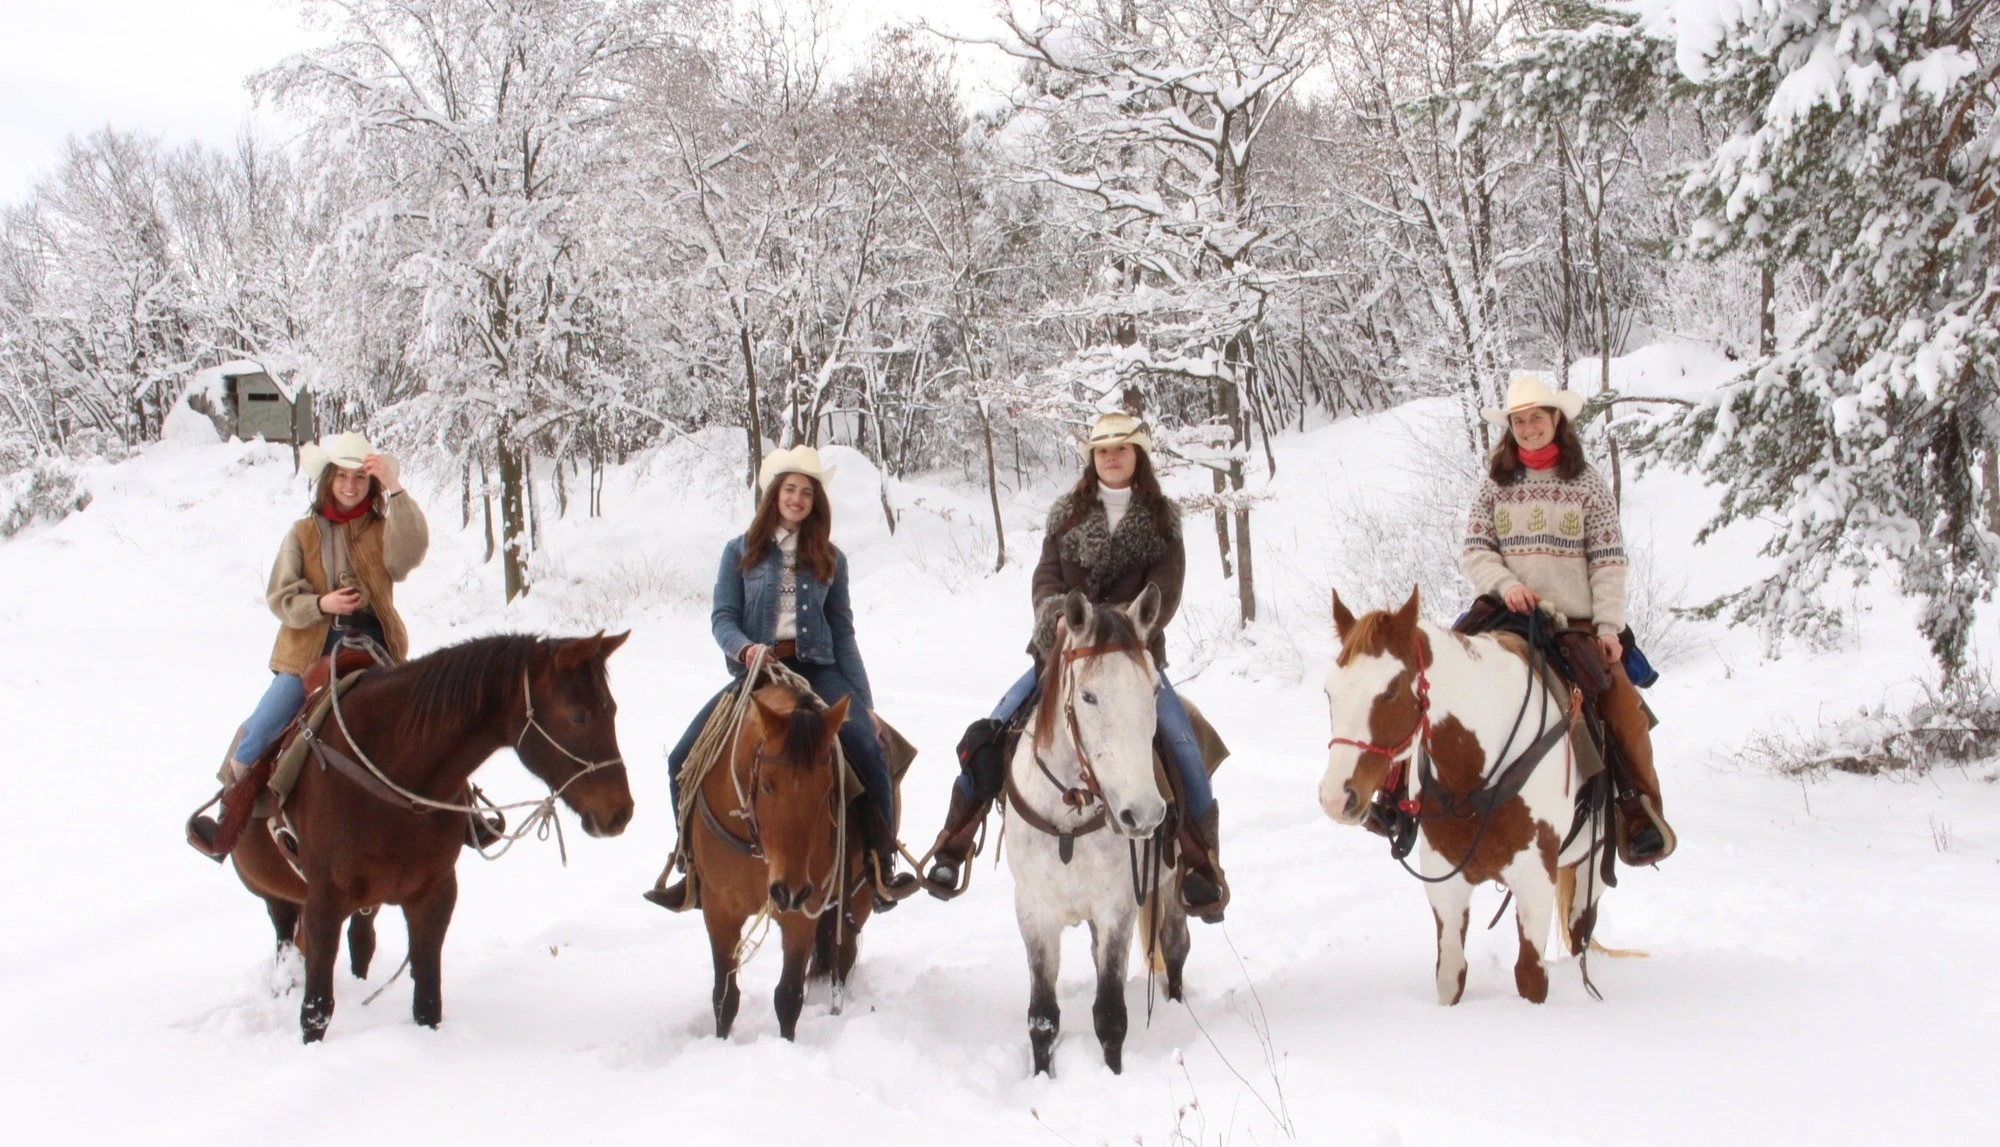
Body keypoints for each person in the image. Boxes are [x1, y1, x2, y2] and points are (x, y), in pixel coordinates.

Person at [921, 412, 1230, 921]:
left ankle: (1200, 864)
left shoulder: (1162, 521)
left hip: (1131, 658)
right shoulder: (1065, 515)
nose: (1111, 457)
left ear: (1138, 457)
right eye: (1103, 450)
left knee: (1180, 744)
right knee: (991, 730)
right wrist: (1058, 618)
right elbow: (1045, 580)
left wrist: (1119, 624)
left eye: (1122, 449)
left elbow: (1165, 592)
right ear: (1092, 458)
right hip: (1064, 653)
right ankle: (954, 843)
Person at [648, 446, 919, 911]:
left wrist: (864, 702)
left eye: (806, 493)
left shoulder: (831, 558)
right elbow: (722, 618)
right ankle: (691, 865)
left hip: (820, 670)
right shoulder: (739, 552)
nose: (797, 499)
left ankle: (880, 864)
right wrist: (746, 648)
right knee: (681, 759)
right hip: (758, 673)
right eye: (790, 489)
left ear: (816, 502)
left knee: (871, 748)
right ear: (774, 494)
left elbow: (845, 633)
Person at [1459, 371, 1677, 864]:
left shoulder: (1586, 484)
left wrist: (1607, 628)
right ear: (1509, 428)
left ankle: (1640, 815)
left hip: (1573, 624)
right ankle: (1406, 800)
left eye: (1537, 417)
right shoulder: (1494, 484)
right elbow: (1475, 550)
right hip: (1505, 616)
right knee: (1433, 676)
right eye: (1520, 420)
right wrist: (1507, 584)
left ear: (1556, 420)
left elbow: (1607, 561)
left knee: (1622, 708)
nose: (1530, 427)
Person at [187, 431, 430, 859]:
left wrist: (396, 487)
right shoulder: (301, 533)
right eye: (341, 477)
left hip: (374, 644)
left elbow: (409, 556)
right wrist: (323, 603)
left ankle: (457, 813)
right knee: (265, 723)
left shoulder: (382, 529)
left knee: (426, 719)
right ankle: (229, 817)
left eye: (360, 478)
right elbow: (280, 597)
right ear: (328, 480)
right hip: (309, 650)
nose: (351, 486)